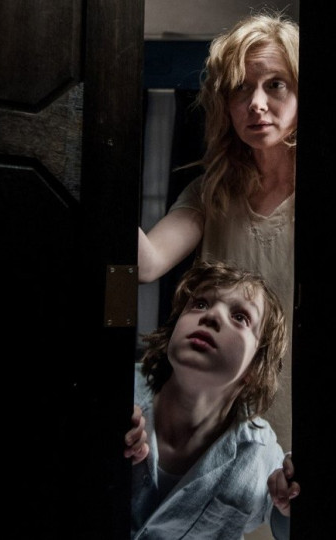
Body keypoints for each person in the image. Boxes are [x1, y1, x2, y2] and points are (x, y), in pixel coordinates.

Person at [138, 10, 299, 457]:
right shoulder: (211, 192)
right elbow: (147, 263)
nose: (256, 103)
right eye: (240, 88)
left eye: (275, 84)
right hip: (223, 423)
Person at [124, 261, 300, 539]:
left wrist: (289, 500)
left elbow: (286, 527)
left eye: (240, 317)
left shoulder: (259, 453)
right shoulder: (120, 389)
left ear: (255, 368)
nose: (212, 315)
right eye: (200, 304)